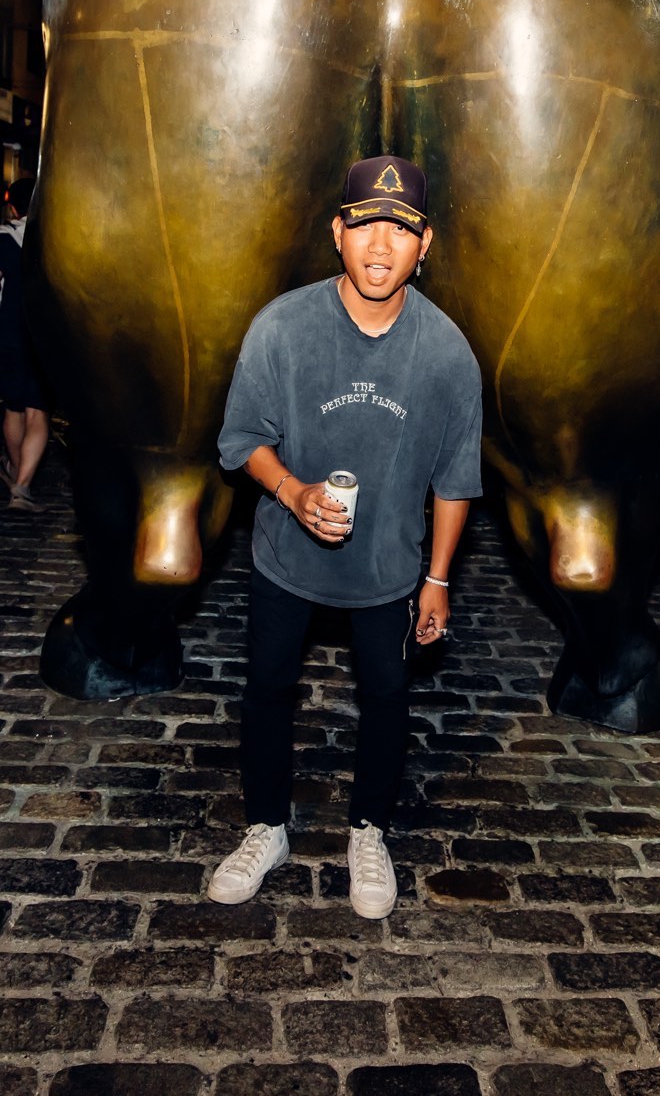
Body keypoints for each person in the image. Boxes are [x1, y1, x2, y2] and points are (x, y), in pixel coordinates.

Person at [210, 154, 482, 918]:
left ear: (425, 244)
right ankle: (267, 827)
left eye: (402, 228)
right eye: (365, 225)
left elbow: (455, 480)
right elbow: (241, 440)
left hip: (389, 569)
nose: (381, 245)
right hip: (285, 557)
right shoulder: (282, 327)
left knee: (388, 696)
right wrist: (292, 491)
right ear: (337, 232)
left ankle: (369, 830)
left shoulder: (448, 353)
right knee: (268, 688)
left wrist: (438, 578)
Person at [0, 177, 49, 511]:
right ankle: (22, 485)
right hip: (43, 338)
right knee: (38, 412)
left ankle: (18, 476)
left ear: (13, 208)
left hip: (8, 335)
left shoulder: (3, 239)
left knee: (13, 408)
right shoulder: (50, 240)